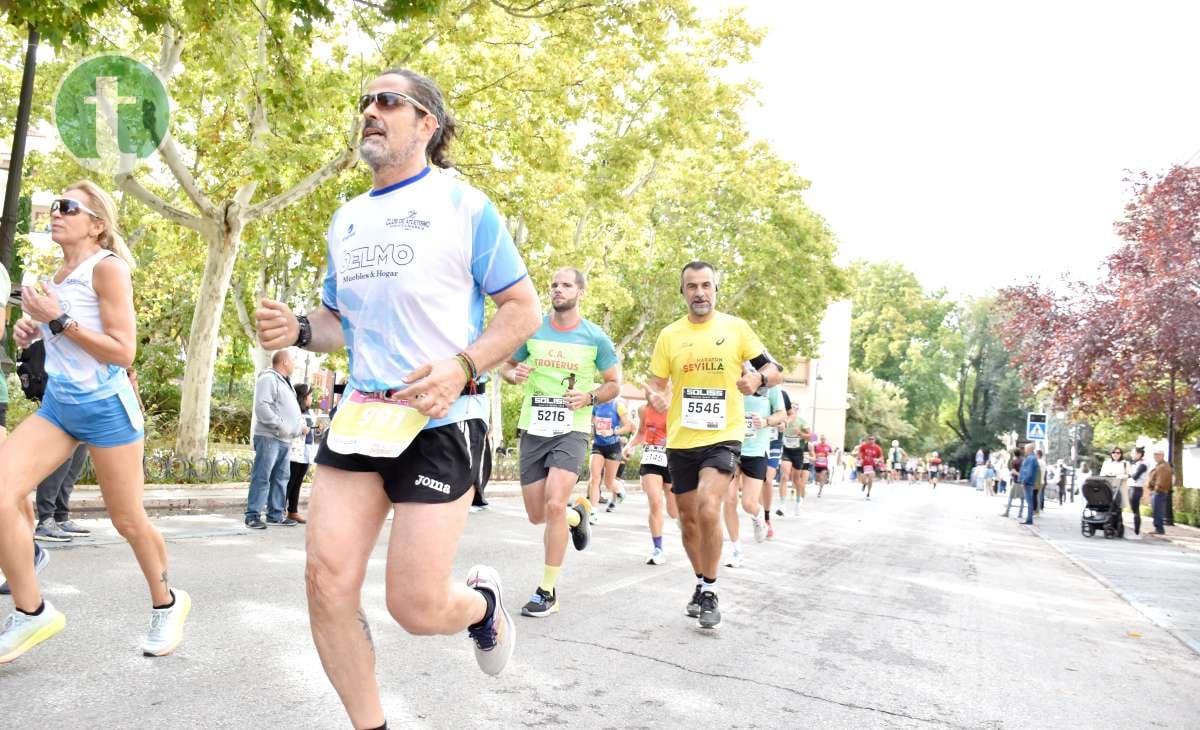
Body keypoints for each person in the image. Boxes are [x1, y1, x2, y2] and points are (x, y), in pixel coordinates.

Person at [254, 68, 540, 728]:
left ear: (426, 125)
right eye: (365, 103)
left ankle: (483, 607)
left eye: (389, 102)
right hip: (361, 417)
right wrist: (297, 328)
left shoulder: (465, 207)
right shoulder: (346, 219)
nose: (371, 112)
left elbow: (521, 310)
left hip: (442, 419)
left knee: (415, 607)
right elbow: (336, 325)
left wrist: (462, 365)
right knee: (326, 583)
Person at [0, 181, 190, 664]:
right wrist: (31, 328)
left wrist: (57, 319)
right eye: (54, 207)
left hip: (107, 411)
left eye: (67, 207)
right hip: (60, 408)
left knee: (128, 520)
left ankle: (167, 602)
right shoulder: (56, 274)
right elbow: (55, 331)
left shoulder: (108, 270)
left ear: (97, 224)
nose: (54, 213)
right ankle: (30, 610)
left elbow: (123, 351)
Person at [646, 261, 782, 630]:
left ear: (716, 289)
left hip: (723, 436)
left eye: (706, 285)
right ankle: (701, 582)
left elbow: (774, 369)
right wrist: (657, 399)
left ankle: (709, 590)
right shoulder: (669, 335)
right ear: (683, 292)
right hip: (681, 440)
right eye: (692, 286)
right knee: (687, 520)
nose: (700, 292)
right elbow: (656, 385)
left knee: (709, 507)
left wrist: (757, 380)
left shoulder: (736, 329)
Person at [500, 266, 618, 617]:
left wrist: (590, 398)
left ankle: (546, 590)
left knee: (553, 503)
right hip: (534, 426)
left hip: (572, 428)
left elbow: (613, 383)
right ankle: (575, 515)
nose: (557, 290)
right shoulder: (531, 330)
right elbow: (505, 366)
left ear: (581, 292)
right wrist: (513, 373)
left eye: (566, 285)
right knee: (538, 514)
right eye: (554, 285)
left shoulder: (595, 337)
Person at [724, 372, 785, 567]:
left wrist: (766, 421)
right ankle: (736, 550)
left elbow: (782, 414)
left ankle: (758, 516)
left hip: (757, 449)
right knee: (729, 499)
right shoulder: (731, 379)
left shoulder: (771, 386)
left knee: (749, 503)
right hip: (731, 447)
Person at [244, 350, 305, 529]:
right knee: (262, 476)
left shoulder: (286, 383)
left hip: (285, 439)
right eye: (293, 360)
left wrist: (297, 427)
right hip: (270, 437)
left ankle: (276, 514)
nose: (294, 363)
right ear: (285, 361)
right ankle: (252, 515)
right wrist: (281, 425)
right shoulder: (269, 378)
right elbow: (262, 407)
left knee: (281, 477)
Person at [624, 386, 677, 564]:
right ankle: (658, 549)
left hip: (672, 459)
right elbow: (640, 433)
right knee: (655, 502)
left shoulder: (676, 408)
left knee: (674, 510)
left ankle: (686, 523)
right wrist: (629, 446)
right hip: (651, 458)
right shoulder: (643, 410)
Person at [589, 396, 633, 515]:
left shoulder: (617, 405)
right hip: (597, 445)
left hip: (613, 446)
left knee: (608, 483)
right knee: (594, 479)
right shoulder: (596, 404)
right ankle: (593, 512)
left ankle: (619, 488)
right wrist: (593, 429)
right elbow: (592, 420)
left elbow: (629, 426)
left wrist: (613, 432)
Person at [285, 383, 319, 524]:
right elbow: (289, 428)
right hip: (294, 451)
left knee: (298, 481)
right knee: (290, 481)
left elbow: (312, 431)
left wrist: (317, 429)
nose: (312, 398)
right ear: (303, 397)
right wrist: (301, 429)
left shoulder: (310, 413)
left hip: (306, 451)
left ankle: (293, 511)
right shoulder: (293, 411)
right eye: (310, 396)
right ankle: (279, 509)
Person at [1100, 446, 1130, 527]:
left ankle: (1117, 524)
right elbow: (1102, 474)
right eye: (1114, 452)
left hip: (1119, 487)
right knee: (1108, 505)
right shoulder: (1107, 463)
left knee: (1118, 507)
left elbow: (1128, 475)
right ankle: (1107, 522)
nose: (1115, 454)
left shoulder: (1125, 463)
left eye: (1118, 453)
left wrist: (1118, 476)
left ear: (1121, 454)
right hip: (1108, 487)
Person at [1147, 450, 1171, 536]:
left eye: (1157, 455)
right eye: (1154, 455)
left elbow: (1160, 480)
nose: (1155, 457)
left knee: (1158, 510)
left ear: (1162, 456)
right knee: (1157, 510)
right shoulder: (1160, 465)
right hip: (1158, 491)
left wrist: (1155, 490)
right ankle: (1158, 528)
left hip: (1159, 492)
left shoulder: (1163, 466)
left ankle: (1159, 529)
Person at [1128, 447, 1148, 535]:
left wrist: (1128, 472)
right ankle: (1136, 529)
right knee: (1133, 509)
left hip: (1136, 489)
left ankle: (1136, 530)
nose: (1131, 455)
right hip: (1132, 488)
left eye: (1133, 453)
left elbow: (1135, 476)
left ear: (1139, 454)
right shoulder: (1136, 464)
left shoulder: (1142, 464)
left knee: (1135, 510)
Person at [1018, 444, 1039, 525]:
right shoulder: (1033, 458)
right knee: (1029, 501)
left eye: (1026, 449)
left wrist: (1024, 481)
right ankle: (1029, 519)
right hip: (1029, 482)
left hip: (1028, 483)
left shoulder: (1030, 458)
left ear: (1029, 449)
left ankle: (1029, 519)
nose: (1025, 450)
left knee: (1029, 501)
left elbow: (1028, 471)